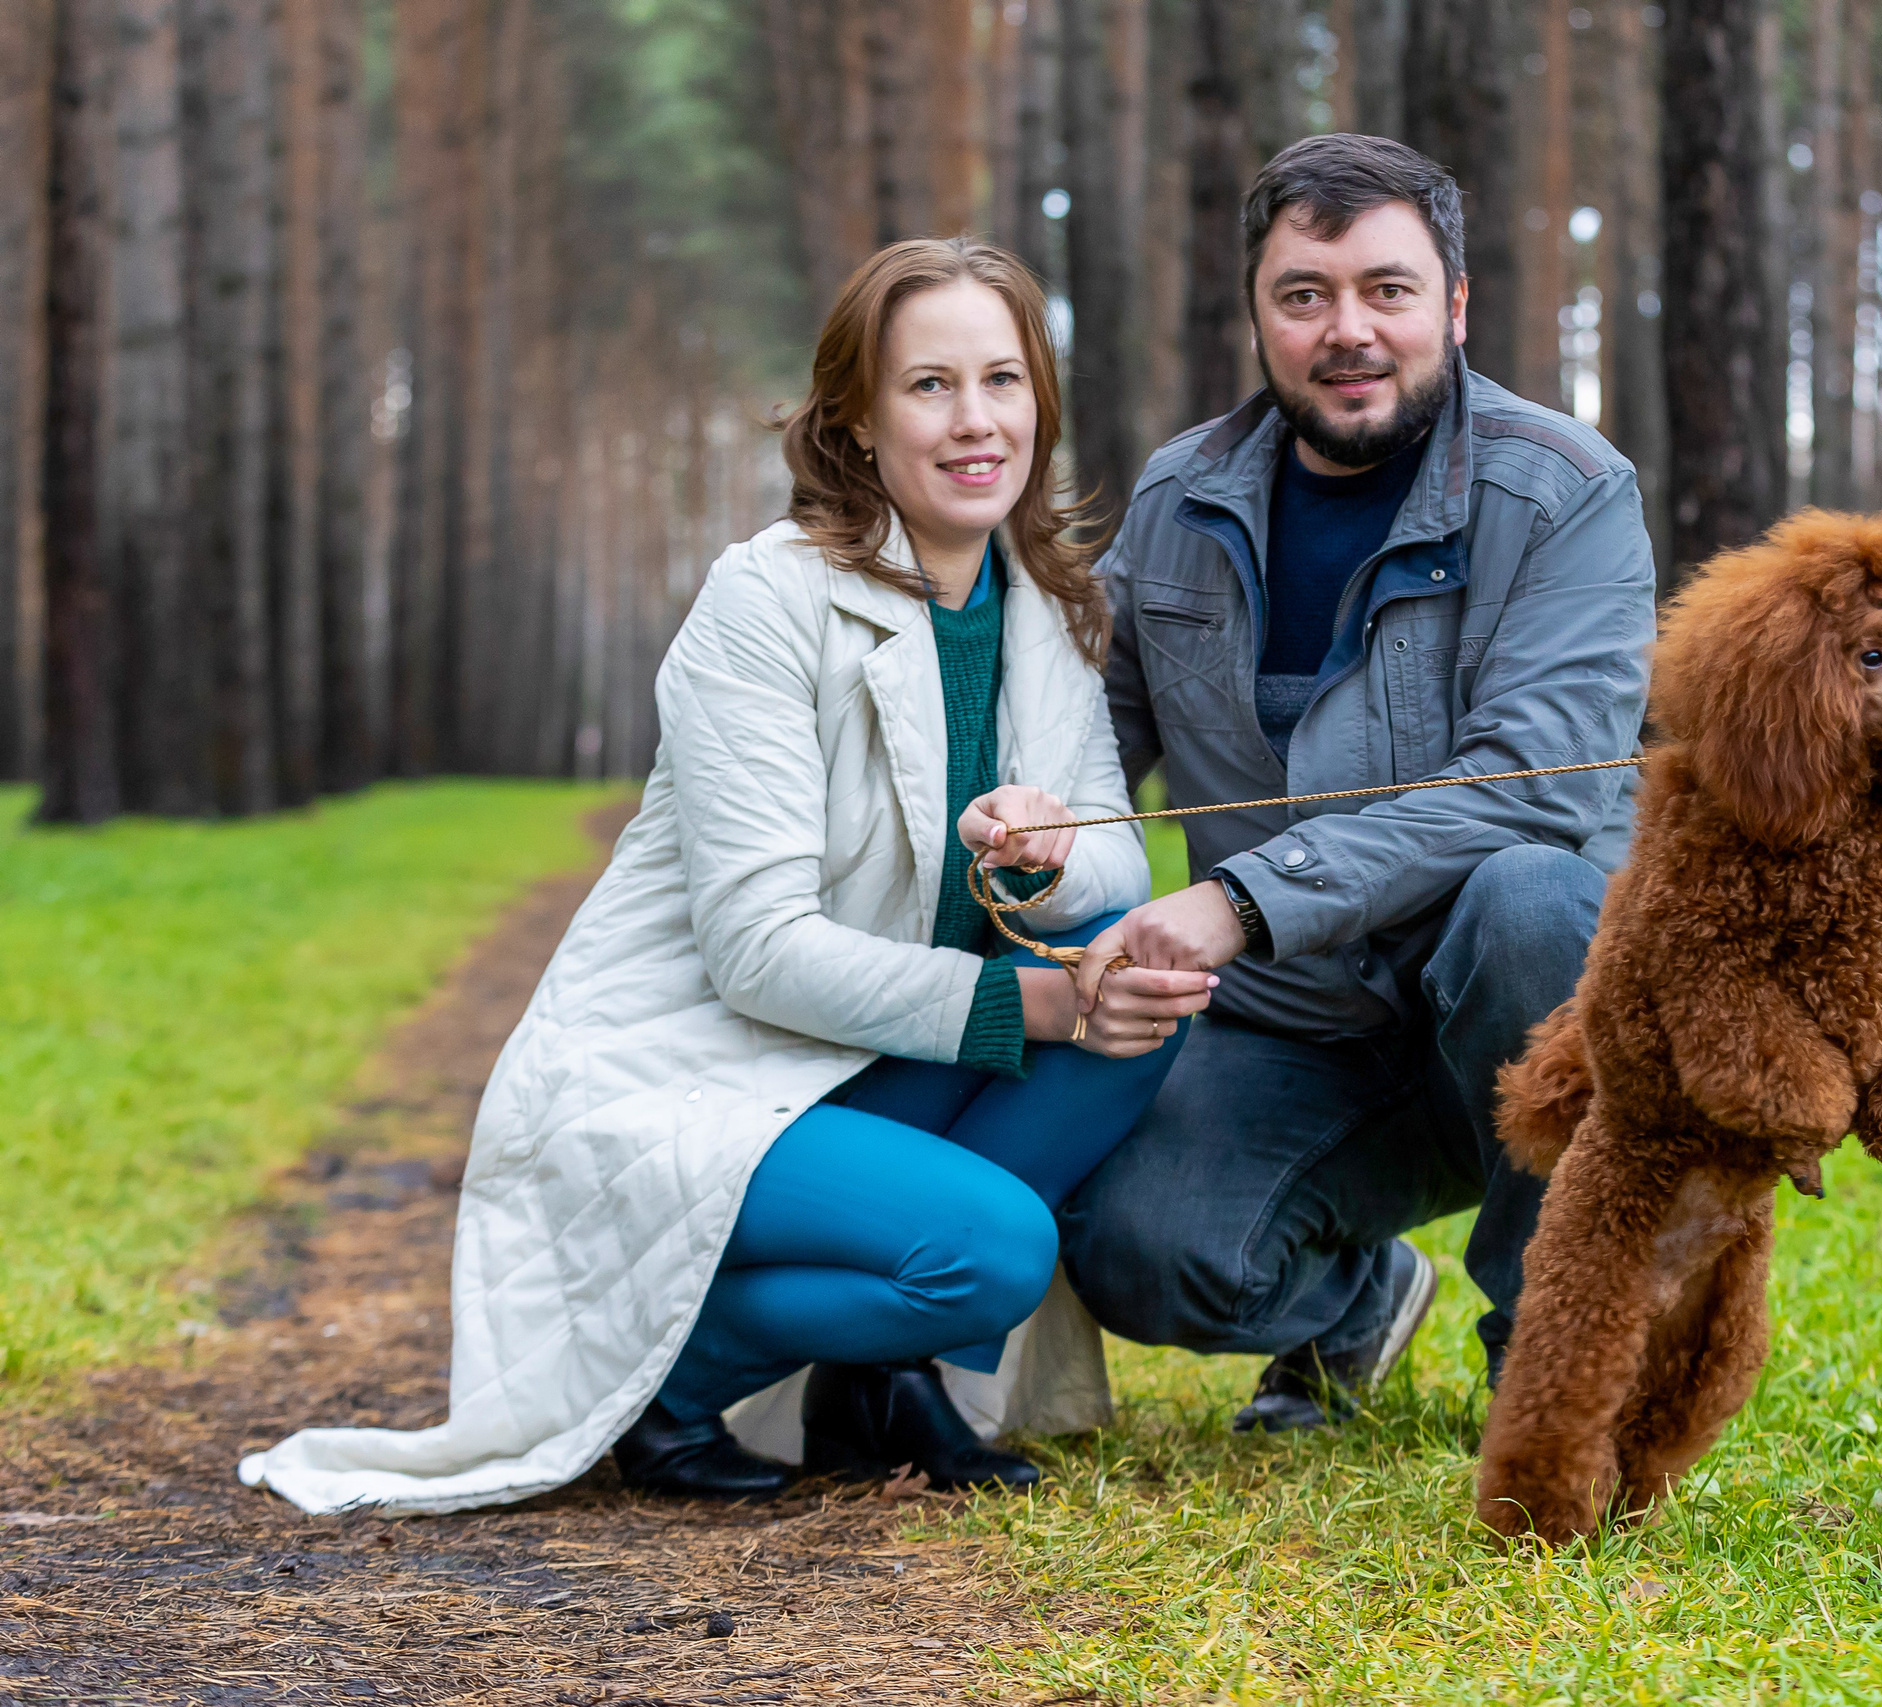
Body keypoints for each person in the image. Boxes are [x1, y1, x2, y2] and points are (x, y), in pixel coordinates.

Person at [238, 238, 1213, 1517]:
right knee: (992, 1251)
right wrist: (1026, 1002)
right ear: (856, 421)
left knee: (1136, 994)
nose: (976, 421)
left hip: (865, 1062)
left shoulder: (1046, 609)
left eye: (1002, 380)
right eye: (929, 386)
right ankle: (667, 1384)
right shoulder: (766, 601)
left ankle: (875, 1383)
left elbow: (1115, 857)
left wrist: (1052, 850)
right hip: (698, 1076)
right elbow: (759, 953)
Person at [1058, 135, 1655, 1432]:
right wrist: (1023, 809)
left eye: (1387, 289)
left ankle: (1557, 1363)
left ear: (1454, 303)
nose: (1349, 331)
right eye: (1304, 294)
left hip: (1520, 1010)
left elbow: (1534, 784)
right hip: (1299, 1031)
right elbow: (1084, 739)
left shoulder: (1567, 493)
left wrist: (1245, 900)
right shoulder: (1176, 499)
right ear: (1257, 314)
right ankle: (1359, 1295)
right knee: (1139, 1248)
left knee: (1533, 895)